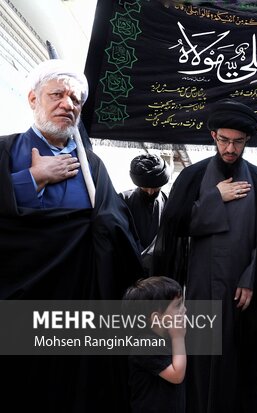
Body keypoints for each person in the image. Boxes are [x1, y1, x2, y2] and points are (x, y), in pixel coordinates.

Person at [0, 59, 143, 412]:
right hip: (18, 303)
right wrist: (31, 179)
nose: (68, 104)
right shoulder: (5, 150)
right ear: (33, 98)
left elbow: (115, 226)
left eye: (76, 100)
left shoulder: (92, 166)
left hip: (80, 303)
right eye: (58, 95)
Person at [152, 98, 257, 413]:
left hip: (242, 294)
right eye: (224, 140)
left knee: (237, 364)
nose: (230, 148)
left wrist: (252, 279)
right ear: (213, 136)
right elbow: (173, 225)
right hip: (199, 290)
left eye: (238, 142)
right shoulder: (194, 177)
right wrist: (215, 197)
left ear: (247, 141)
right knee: (201, 361)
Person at [123, 276, 187, 413]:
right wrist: (178, 338)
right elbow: (176, 375)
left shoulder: (165, 337)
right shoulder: (145, 344)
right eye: (177, 306)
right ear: (157, 318)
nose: (184, 310)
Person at [120, 154, 170, 270]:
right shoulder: (123, 199)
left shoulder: (168, 203)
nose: (150, 192)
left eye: (156, 187)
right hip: (129, 265)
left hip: (158, 268)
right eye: (145, 187)